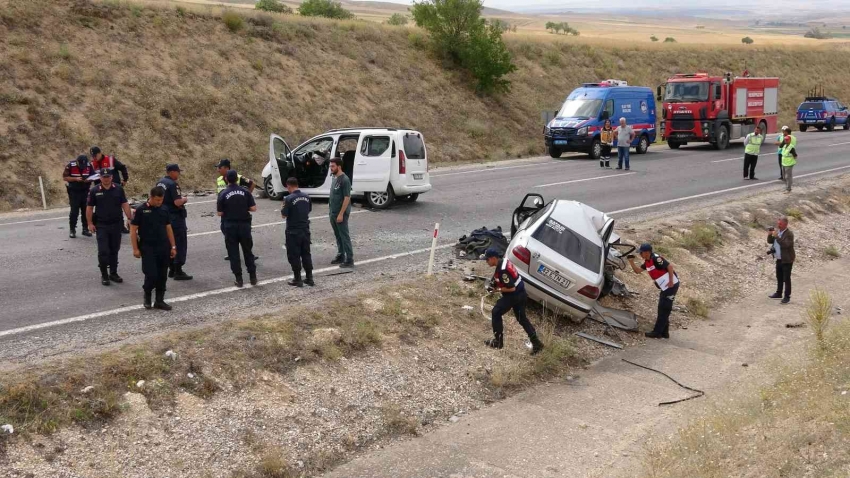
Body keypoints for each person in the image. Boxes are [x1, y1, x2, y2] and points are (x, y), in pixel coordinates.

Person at [483, 248, 544, 354]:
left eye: (487, 259)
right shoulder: (503, 262)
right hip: (521, 293)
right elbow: (499, 275)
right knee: (522, 319)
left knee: (496, 312)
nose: (486, 262)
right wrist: (493, 283)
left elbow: (511, 288)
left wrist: (497, 290)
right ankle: (537, 343)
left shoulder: (502, 271)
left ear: (493, 258)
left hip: (514, 295)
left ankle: (498, 342)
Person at [130, 186, 177, 310]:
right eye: (157, 200)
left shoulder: (164, 209)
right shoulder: (141, 210)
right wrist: (135, 249)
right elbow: (133, 230)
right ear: (150, 197)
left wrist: (173, 246)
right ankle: (147, 296)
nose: (159, 202)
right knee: (151, 274)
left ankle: (159, 300)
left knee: (162, 275)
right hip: (147, 247)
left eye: (161, 200)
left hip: (163, 247)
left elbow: (168, 228)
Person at [86, 168, 133, 286]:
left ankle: (113, 273)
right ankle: (104, 275)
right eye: (103, 177)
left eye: (108, 177)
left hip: (116, 224)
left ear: (111, 177)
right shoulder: (94, 190)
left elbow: (125, 204)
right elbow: (90, 208)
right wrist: (90, 223)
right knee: (103, 251)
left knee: (114, 249)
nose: (106, 179)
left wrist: (130, 218)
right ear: (100, 178)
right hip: (101, 225)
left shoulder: (118, 188)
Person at [627, 243, 679, 339]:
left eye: (641, 253)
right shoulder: (647, 261)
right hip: (665, 286)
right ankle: (664, 332)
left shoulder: (656, 258)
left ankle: (657, 332)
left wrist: (671, 281)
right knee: (663, 307)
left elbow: (670, 267)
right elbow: (638, 271)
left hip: (671, 285)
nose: (640, 255)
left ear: (647, 252)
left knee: (664, 308)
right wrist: (631, 262)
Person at [217, 169, 258, 288]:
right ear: (237, 179)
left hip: (230, 226)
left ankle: (239, 279)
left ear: (226, 179)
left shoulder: (223, 194)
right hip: (244, 225)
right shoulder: (245, 191)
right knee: (248, 252)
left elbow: (219, 213)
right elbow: (253, 208)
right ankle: (253, 277)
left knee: (233, 254)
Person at [215, 159, 258, 262]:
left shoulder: (238, 177)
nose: (218, 170)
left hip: (239, 211)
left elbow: (252, 184)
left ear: (226, 168)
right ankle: (232, 252)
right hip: (226, 212)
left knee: (244, 233)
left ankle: (249, 254)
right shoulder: (219, 179)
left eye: (219, 168)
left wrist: (247, 198)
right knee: (225, 230)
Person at [157, 164, 192, 280]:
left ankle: (171, 268)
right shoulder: (172, 184)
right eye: (178, 172)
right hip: (175, 218)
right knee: (179, 243)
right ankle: (178, 270)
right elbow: (177, 202)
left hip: (164, 216)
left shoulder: (160, 182)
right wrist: (184, 199)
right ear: (172, 172)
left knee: (169, 243)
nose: (179, 174)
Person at [281, 177, 314, 287]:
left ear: (288, 186)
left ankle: (298, 279)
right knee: (306, 254)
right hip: (305, 230)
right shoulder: (307, 197)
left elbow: (284, 215)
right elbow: (309, 210)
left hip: (293, 232)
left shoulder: (288, 198)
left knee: (294, 255)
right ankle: (309, 278)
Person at [90, 146, 131, 233]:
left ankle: (121, 226)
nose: (94, 158)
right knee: (101, 208)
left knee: (117, 207)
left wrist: (125, 179)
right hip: (100, 190)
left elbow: (122, 167)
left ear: (100, 153)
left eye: (95, 155)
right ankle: (100, 226)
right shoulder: (93, 164)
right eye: (93, 156)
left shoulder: (110, 160)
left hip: (114, 188)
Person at [329, 157, 354, 268]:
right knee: (338, 235)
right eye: (330, 166)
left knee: (344, 236)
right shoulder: (334, 178)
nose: (331, 168)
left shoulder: (345, 180)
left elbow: (347, 198)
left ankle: (349, 259)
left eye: (333, 166)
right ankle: (341, 255)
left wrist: (341, 214)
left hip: (340, 214)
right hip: (332, 212)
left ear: (339, 166)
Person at [63, 154, 95, 238]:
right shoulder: (71, 165)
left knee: (86, 211)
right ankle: (72, 230)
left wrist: (89, 179)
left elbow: (94, 176)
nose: (82, 167)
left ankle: (85, 229)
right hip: (74, 192)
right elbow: (65, 177)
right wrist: (75, 179)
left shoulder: (88, 165)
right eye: (81, 165)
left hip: (85, 191)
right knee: (74, 212)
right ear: (77, 162)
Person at [768, 216, 795, 304]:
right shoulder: (778, 231)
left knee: (786, 278)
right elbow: (770, 241)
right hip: (779, 259)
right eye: (778, 223)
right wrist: (770, 234)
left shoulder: (789, 234)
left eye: (780, 224)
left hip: (787, 259)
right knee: (779, 277)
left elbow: (785, 245)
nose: (778, 225)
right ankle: (778, 293)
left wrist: (777, 237)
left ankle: (787, 296)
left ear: (785, 224)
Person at [779, 126, 797, 193]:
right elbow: (781, 147)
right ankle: (787, 187)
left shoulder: (791, 147)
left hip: (789, 163)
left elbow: (795, 155)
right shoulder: (785, 145)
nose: (785, 140)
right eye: (785, 140)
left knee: (788, 176)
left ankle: (788, 188)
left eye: (786, 140)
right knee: (784, 177)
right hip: (784, 162)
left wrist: (791, 158)